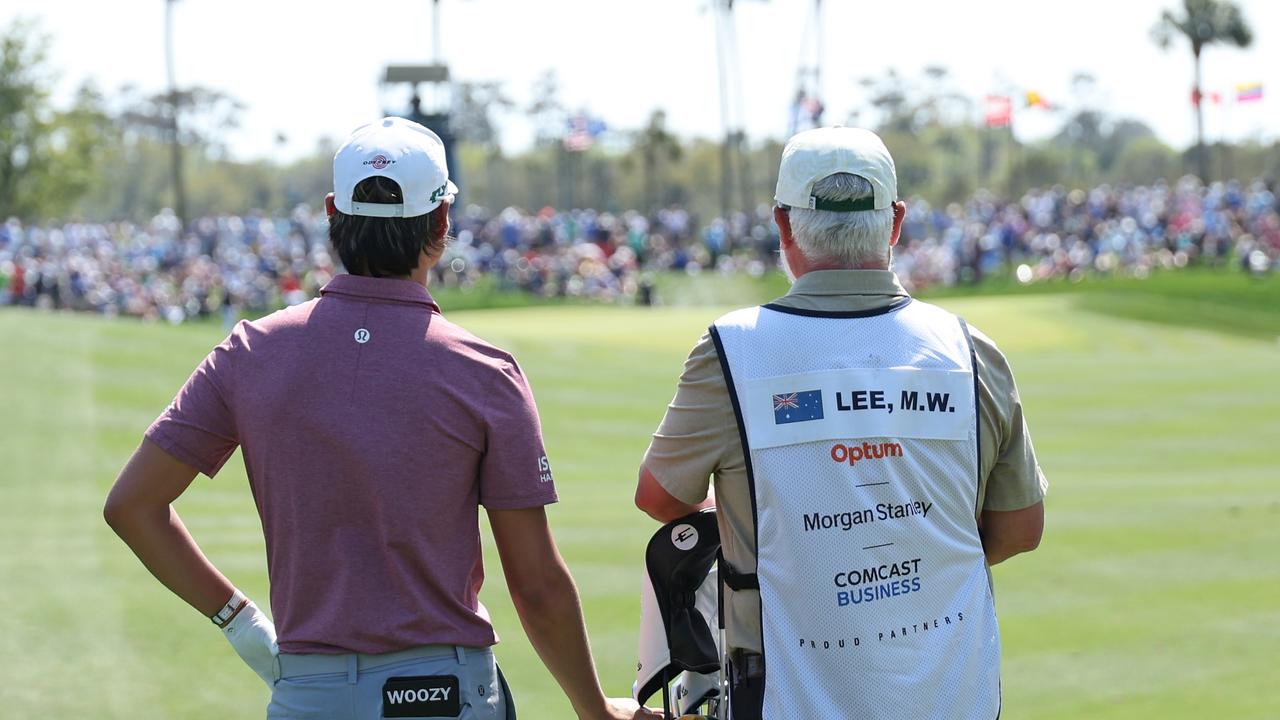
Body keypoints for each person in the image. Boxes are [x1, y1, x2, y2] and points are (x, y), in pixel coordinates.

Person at [105, 116, 650, 720]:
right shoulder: (484, 372)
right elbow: (537, 586)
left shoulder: (251, 352)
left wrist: (243, 624)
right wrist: (594, 709)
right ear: (442, 223)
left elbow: (133, 506)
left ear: (332, 214)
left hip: (307, 696)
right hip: (446, 695)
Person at [634, 126, 1046, 719]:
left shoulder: (731, 349)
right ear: (896, 221)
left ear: (783, 223)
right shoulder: (970, 349)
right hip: (954, 692)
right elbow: (1019, 530)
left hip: (780, 692)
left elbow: (660, 497)